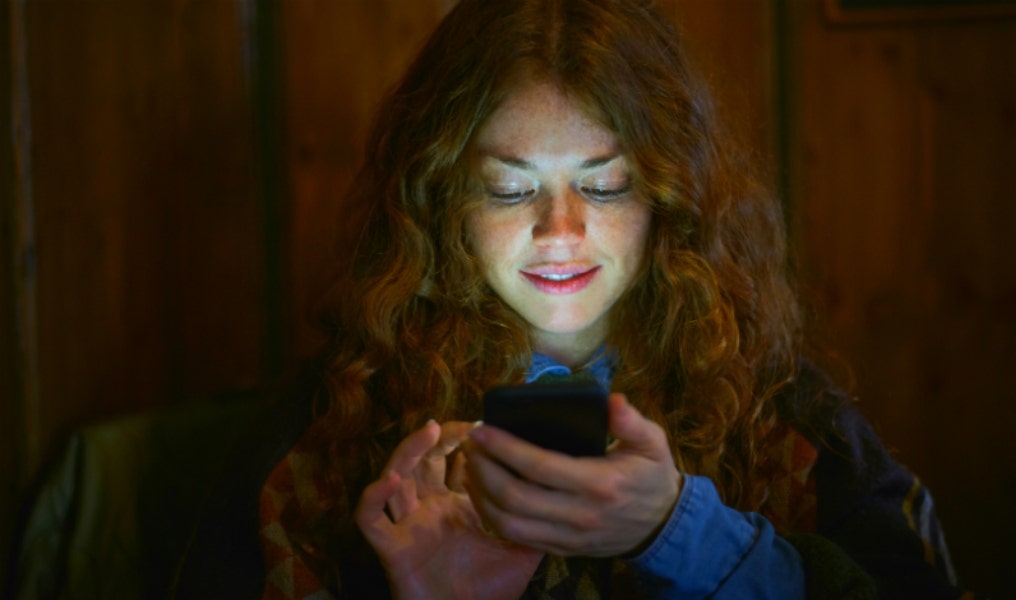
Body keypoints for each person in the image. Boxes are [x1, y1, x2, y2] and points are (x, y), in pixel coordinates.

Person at [174, 0, 965, 598]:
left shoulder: (782, 414)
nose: (560, 230)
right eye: (510, 188)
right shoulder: (325, 432)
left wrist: (680, 532)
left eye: (604, 185)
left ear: (668, 195)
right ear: (444, 199)